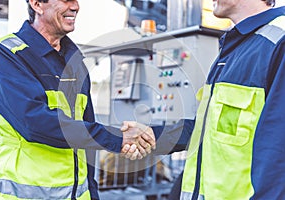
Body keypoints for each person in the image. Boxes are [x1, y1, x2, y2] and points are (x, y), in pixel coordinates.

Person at [0, 0, 155, 199]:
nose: (75, 6)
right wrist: (117, 138)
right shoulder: (5, 54)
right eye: (66, 0)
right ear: (37, 4)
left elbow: (86, 132)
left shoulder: (74, 61)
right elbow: (35, 123)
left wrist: (92, 193)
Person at [122, 0, 285, 199]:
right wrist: (153, 135)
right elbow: (207, 129)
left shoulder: (279, 42)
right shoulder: (234, 47)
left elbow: (278, 152)